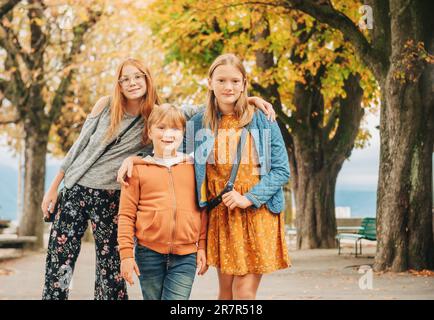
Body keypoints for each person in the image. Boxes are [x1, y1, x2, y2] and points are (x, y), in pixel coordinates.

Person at [41, 56, 274, 300]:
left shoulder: (156, 115)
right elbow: (79, 148)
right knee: (59, 263)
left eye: (137, 77)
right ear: (119, 84)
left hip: (112, 194)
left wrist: (248, 99)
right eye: (125, 79)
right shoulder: (105, 105)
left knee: (110, 271)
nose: (132, 83)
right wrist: (54, 188)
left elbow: (208, 107)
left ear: (147, 80)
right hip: (76, 189)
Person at [188, 53, 291, 300]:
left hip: (256, 214)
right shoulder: (198, 124)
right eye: (221, 80)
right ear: (210, 82)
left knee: (243, 293)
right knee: (225, 294)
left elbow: (281, 170)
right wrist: (135, 159)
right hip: (221, 217)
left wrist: (249, 197)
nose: (228, 87)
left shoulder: (262, 119)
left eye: (235, 81)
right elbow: (167, 142)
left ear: (244, 83)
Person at [118, 103, 208, 300]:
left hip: (186, 256)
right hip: (148, 253)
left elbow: (203, 209)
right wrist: (126, 255)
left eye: (175, 128)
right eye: (161, 127)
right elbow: (125, 215)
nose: (168, 133)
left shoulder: (194, 167)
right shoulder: (137, 170)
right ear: (150, 132)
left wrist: (202, 246)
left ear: (183, 133)